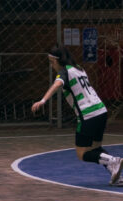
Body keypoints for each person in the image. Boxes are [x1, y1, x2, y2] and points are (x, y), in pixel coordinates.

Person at [31, 44, 123, 186]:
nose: (51, 66)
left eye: (51, 62)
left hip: (88, 115)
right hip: (101, 111)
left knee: (82, 154)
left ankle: (113, 160)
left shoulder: (64, 72)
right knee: (95, 148)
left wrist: (43, 100)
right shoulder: (79, 68)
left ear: (57, 61)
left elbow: (56, 85)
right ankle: (116, 175)